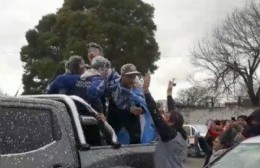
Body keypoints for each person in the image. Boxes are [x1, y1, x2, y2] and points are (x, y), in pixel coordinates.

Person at [143, 74, 187, 168]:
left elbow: (155, 115)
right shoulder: (179, 133)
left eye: (166, 117)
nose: (163, 116)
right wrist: (169, 93)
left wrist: (146, 91)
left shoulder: (169, 135)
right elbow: (173, 112)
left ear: (171, 123)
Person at [107, 63, 156, 144]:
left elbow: (145, 104)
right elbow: (114, 110)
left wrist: (141, 109)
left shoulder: (137, 89)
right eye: (129, 76)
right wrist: (130, 110)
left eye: (134, 76)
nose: (132, 79)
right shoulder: (115, 89)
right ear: (122, 76)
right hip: (118, 131)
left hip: (134, 133)